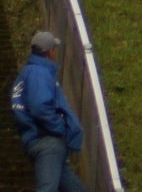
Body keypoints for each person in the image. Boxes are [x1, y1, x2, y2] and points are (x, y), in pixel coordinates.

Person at [11, 31, 86, 192]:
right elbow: (40, 107)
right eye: (54, 49)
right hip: (47, 141)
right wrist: (60, 128)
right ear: (50, 52)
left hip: (39, 140)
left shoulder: (27, 73)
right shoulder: (39, 73)